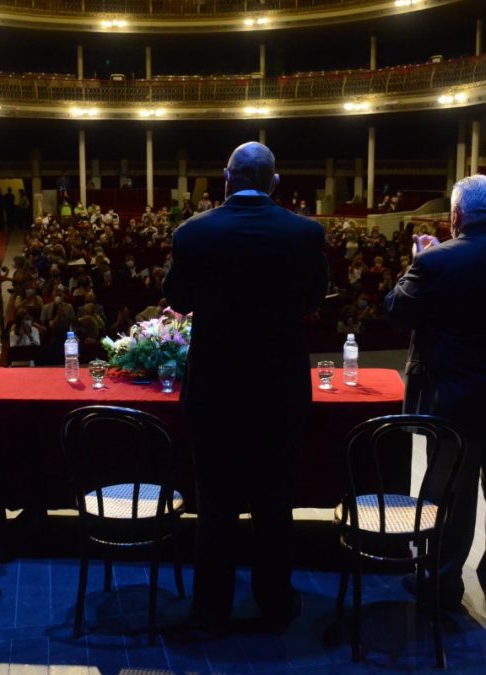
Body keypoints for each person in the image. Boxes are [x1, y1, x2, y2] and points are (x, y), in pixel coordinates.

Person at [165, 142, 328, 633]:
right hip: (278, 391)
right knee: (274, 503)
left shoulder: (195, 232)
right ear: (274, 182)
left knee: (215, 505)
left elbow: (178, 298)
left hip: (215, 390)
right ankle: (275, 603)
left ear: (226, 177)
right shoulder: (305, 233)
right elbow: (315, 298)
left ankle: (211, 607)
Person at [384, 174, 486, 612]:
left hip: (457, 401)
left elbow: (397, 312)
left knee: (449, 499)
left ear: (456, 216)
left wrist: (416, 260)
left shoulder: (437, 262)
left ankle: (440, 585)